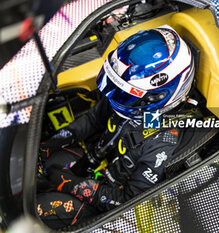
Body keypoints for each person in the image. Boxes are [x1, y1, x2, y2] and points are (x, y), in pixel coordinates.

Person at [36, 25, 207, 228]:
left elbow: (128, 200)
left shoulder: (163, 140)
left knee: (37, 207)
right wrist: (50, 145)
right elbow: (92, 120)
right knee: (34, 165)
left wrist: (72, 184)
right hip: (93, 157)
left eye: (126, 94)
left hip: (107, 196)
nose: (114, 97)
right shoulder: (123, 97)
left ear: (160, 97)